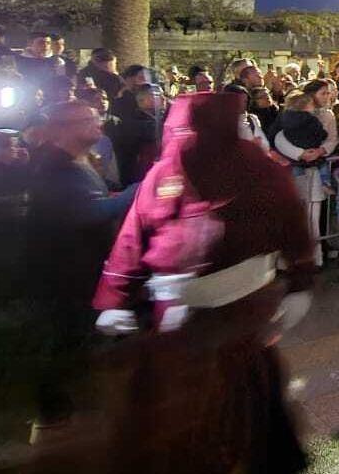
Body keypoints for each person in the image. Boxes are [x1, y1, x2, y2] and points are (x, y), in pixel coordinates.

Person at [90, 91, 316, 474]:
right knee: (180, 405)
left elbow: (289, 220)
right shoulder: (166, 172)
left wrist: (301, 278)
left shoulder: (253, 166)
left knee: (243, 395)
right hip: (179, 313)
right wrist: (115, 297)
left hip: (238, 308)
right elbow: (135, 234)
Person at [23, 100, 135, 439]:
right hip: (63, 269)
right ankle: (53, 412)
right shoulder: (55, 167)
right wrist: (136, 193)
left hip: (82, 265)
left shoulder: (78, 161)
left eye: (95, 117)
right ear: (63, 129)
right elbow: (86, 212)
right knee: (63, 337)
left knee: (77, 335)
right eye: (87, 120)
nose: (97, 123)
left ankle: (74, 402)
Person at [273, 81, 338, 266]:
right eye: (323, 93)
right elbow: (278, 137)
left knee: (312, 216)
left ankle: (313, 256)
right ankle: (288, 258)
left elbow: (331, 139)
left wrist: (320, 151)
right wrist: (299, 153)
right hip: (292, 168)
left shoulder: (327, 115)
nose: (327, 97)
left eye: (328, 93)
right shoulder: (289, 114)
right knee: (292, 215)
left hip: (315, 168)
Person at [110, 83, 162, 186]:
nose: (163, 98)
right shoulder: (133, 122)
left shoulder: (157, 118)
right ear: (141, 101)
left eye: (162, 94)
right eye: (156, 95)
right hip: (140, 180)